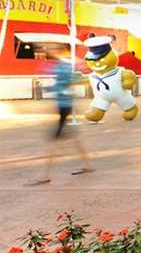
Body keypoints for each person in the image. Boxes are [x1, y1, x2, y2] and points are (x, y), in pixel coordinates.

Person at [25, 45, 94, 186]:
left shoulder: (64, 66)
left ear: (63, 51)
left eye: (55, 49)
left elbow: (64, 84)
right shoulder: (66, 65)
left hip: (64, 107)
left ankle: (44, 175)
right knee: (75, 138)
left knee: (52, 141)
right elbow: (68, 82)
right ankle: (87, 165)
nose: (52, 51)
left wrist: (47, 87)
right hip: (64, 106)